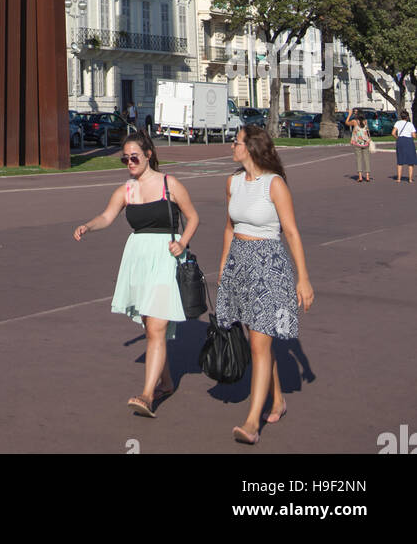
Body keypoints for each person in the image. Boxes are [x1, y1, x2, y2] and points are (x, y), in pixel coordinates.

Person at [73, 128, 199, 416]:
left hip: (166, 257)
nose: (130, 163)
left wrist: (183, 242)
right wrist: (88, 226)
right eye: (125, 159)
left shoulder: (170, 184)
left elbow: (193, 217)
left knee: (155, 328)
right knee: (151, 328)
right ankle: (166, 382)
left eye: (134, 157)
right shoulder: (126, 190)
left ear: (148, 155)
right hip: (138, 260)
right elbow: (107, 216)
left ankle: (146, 396)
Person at [216, 125, 314, 445]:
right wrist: (223, 268)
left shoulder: (274, 185)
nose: (233, 145)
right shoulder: (232, 182)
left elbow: (292, 232)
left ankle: (251, 422)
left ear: (252, 147)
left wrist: (303, 278)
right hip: (239, 264)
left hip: (269, 265)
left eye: (237, 141)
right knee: (258, 340)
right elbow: (230, 228)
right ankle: (278, 399)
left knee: (260, 344)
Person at [345, 107, 372, 182]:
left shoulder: (354, 121)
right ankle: (367, 176)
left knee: (359, 159)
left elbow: (346, 123)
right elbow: (367, 130)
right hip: (366, 142)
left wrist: (349, 115)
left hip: (357, 142)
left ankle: (360, 177)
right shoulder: (365, 121)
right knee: (366, 159)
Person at [393, 110, 417, 183]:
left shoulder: (397, 123)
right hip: (408, 141)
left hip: (400, 140)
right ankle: (410, 179)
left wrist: (398, 138)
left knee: (400, 160)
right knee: (411, 161)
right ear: (407, 117)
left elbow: (393, 133)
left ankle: (399, 178)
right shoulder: (410, 124)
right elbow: (414, 135)